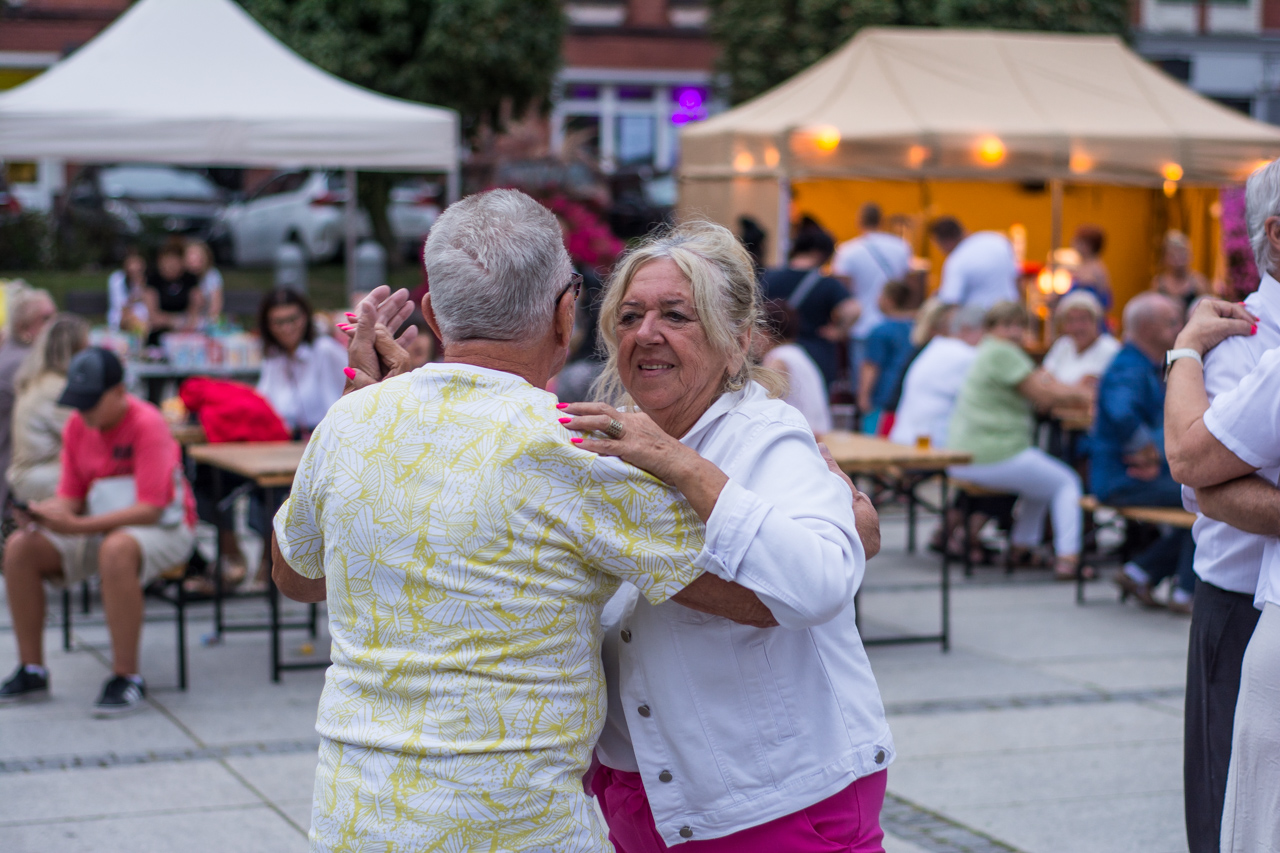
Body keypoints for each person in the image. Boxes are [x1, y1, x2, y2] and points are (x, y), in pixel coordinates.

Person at [272, 191, 788, 851]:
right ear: (566, 311)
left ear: (432, 312)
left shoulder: (350, 418)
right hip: (515, 825)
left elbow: (296, 573)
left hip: (355, 818)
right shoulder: (573, 448)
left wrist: (370, 408)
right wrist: (840, 524)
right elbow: (759, 595)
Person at [559, 220, 889, 851]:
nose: (646, 333)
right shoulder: (608, 447)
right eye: (628, 317)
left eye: (675, 315)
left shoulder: (767, 434)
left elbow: (820, 585)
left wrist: (684, 467)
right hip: (647, 794)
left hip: (778, 800)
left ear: (736, 342)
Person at [1164, 160, 1280, 851]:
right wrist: (1186, 350)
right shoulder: (1240, 335)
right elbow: (1200, 479)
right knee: (1226, 815)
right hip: (1240, 605)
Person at [0, 348, 197, 715]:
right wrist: (43, 514)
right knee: (19, 547)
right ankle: (31, 669)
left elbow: (152, 507)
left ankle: (127, 676)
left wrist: (77, 525)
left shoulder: (147, 421)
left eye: (91, 402)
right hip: (102, 519)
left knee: (116, 549)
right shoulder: (79, 425)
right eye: (78, 403)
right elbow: (72, 497)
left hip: (166, 525)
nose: (83, 411)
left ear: (120, 391)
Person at [947, 302, 1093, 578]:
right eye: (1006, 325)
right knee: (1066, 482)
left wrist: (1064, 390)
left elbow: (1043, 384)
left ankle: (1022, 548)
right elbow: (1045, 394)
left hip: (967, 452)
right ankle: (1068, 558)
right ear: (991, 329)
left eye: (1018, 325)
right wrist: (1087, 395)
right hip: (990, 453)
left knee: (1042, 481)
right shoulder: (1002, 353)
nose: (1014, 332)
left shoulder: (990, 351)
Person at [1091, 293, 1195, 612]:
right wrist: (1150, 452)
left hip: (1128, 476)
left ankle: (1140, 571)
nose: (1179, 327)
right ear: (1148, 327)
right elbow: (1122, 414)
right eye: (1171, 322)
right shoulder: (1130, 366)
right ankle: (1185, 594)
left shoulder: (1142, 363)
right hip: (1122, 478)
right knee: (1205, 499)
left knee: (1204, 499)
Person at [761, 218, 859, 386]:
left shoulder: (769, 277)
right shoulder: (827, 283)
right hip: (815, 353)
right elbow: (853, 310)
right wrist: (838, 331)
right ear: (821, 254)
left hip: (773, 351)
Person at [7, 315, 89, 506]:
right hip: (37, 473)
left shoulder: (44, 380)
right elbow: (87, 435)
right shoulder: (56, 390)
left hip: (34, 469)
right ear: (74, 349)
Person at [834, 202, 912, 382]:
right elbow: (907, 286)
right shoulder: (900, 246)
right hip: (895, 322)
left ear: (859, 221)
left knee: (862, 379)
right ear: (882, 221)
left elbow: (842, 291)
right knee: (895, 377)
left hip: (861, 324)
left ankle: (866, 410)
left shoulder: (848, 250)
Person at [889, 304, 985, 449]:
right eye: (986, 334)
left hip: (902, 439)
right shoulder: (965, 354)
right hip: (929, 448)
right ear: (966, 329)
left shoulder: (935, 347)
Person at [255, 289, 347, 436]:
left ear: (306, 317)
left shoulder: (324, 349)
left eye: (293, 319)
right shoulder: (274, 356)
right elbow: (263, 401)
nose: (287, 328)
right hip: (286, 440)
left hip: (327, 439)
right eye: (278, 322)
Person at [0, 288, 56, 514]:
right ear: (24, 328)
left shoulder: (14, 354)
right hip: (11, 474)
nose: (54, 324)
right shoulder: (22, 364)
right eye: (46, 318)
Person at [760, 298, 832, 437]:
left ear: (765, 333)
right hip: (817, 431)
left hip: (803, 434)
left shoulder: (778, 358)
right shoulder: (797, 353)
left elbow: (762, 401)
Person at [858, 279, 919, 435]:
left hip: (882, 397)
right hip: (905, 394)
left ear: (889, 300)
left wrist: (864, 395)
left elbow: (871, 366)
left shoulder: (880, 330)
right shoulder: (916, 327)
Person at [929, 216, 1020, 308]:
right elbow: (1018, 279)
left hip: (981, 318)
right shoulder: (998, 240)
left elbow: (950, 302)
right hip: (1011, 311)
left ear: (946, 242)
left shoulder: (956, 260)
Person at [1042, 290, 1121, 387]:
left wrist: (1053, 387)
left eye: (1083, 319)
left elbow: (1089, 390)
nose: (1077, 327)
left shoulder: (1111, 349)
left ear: (1095, 321)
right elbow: (1043, 377)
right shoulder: (1063, 344)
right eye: (1070, 320)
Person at [143, 242, 204, 344]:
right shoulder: (153, 280)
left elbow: (195, 311)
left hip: (186, 335)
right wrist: (177, 320)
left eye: (175, 260)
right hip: (159, 336)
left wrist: (179, 322)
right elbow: (153, 317)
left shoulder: (190, 279)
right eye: (168, 260)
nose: (171, 264)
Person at [1152, 230, 1210, 311]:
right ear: (1164, 257)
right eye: (1173, 254)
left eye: (1182, 252)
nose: (1178, 258)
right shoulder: (1159, 283)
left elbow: (1207, 311)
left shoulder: (1198, 283)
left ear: (1190, 255)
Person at [106, 247, 150, 333]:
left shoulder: (145, 279)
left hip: (140, 317)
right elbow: (119, 304)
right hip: (120, 316)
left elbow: (146, 304)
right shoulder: (116, 278)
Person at [1069, 225, 1112, 311]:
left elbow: (1105, 301)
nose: (1072, 242)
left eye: (1078, 241)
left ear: (1089, 246)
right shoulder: (1080, 265)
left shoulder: (1096, 269)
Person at [185, 240, 223, 324]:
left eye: (197, 256)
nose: (193, 259)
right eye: (190, 255)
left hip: (205, 321)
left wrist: (211, 322)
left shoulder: (212, 275)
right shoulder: (183, 276)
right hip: (186, 320)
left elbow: (215, 306)